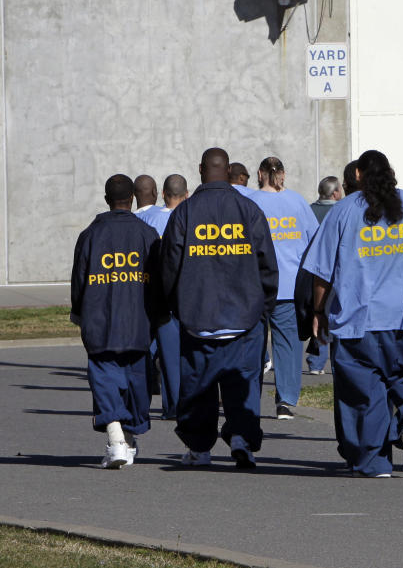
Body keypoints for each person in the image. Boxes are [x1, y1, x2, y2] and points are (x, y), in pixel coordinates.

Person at [301, 150, 403, 477]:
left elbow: (322, 273)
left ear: (357, 174)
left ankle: (374, 462)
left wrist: (319, 310)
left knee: (365, 394)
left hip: (360, 323)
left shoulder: (343, 211)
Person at [160, 147, 278, 469]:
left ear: (201, 170)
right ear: (228, 172)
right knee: (243, 384)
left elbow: (168, 267)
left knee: (199, 386)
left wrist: (176, 306)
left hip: (199, 317)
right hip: (245, 317)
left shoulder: (183, 214)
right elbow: (267, 263)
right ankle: (241, 438)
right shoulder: (249, 209)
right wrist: (263, 306)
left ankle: (199, 449)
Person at [70, 174, 161, 468]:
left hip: (101, 322)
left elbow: (79, 280)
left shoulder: (90, 235)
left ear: (107, 200)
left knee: (105, 380)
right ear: (131, 200)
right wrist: (159, 314)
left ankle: (121, 440)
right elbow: (158, 281)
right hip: (138, 322)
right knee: (137, 383)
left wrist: (79, 312)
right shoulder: (147, 235)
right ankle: (120, 440)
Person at [248, 157, 319, 419]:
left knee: (254, 343)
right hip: (290, 284)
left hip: (257, 284)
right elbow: (315, 238)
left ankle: (249, 397)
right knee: (287, 343)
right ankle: (286, 400)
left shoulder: (252, 202)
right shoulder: (298, 201)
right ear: (283, 175)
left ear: (259, 173)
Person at [138, 174, 189, 419]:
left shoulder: (148, 218)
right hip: (185, 294)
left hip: (156, 295)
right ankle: (183, 404)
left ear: (163, 195)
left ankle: (166, 404)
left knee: (164, 355)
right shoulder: (191, 217)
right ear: (186, 194)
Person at [306, 176, 343, 374]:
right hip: (336, 272)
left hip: (312, 271)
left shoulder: (309, 210)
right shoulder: (340, 211)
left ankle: (316, 361)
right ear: (335, 193)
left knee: (318, 313)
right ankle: (337, 360)